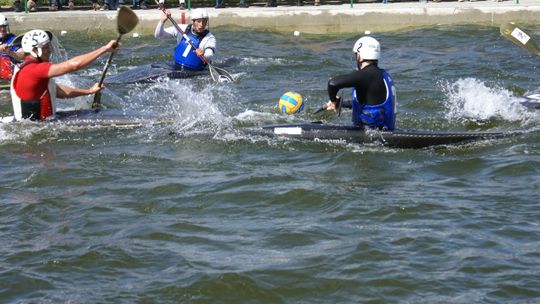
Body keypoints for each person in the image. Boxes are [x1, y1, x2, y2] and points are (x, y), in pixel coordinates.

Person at [10, 30, 120, 121]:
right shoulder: (34, 70)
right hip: (34, 128)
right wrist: (105, 49)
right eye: (46, 47)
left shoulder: (29, 68)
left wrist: (89, 91)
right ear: (34, 50)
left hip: (43, 123)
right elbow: (74, 66)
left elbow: (58, 92)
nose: (50, 51)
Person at [325, 36, 396, 130]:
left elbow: (333, 83)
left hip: (371, 134)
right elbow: (371, 102)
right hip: (385, 131)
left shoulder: (365, 75)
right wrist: (341, 104)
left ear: (359, 56)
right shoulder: (383, 75)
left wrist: (333, 100)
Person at [0, 14, 25, 81]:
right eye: (0, 27)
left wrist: (9, 52)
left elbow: (22, 55)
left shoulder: (12, 39)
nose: (2, 29)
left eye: (4, 26)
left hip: (8, 75)